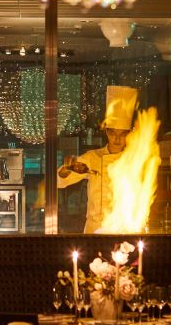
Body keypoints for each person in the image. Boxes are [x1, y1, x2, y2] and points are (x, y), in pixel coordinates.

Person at [58, 85, 138, 233]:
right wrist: (66, 169)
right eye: (113, 133)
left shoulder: (134, 160)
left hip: (123, 229)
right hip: (94, 228)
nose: (117, 139)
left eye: (122, 134)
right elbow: (60, 182)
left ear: (129, 134)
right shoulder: (92, 157)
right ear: (107, 132)